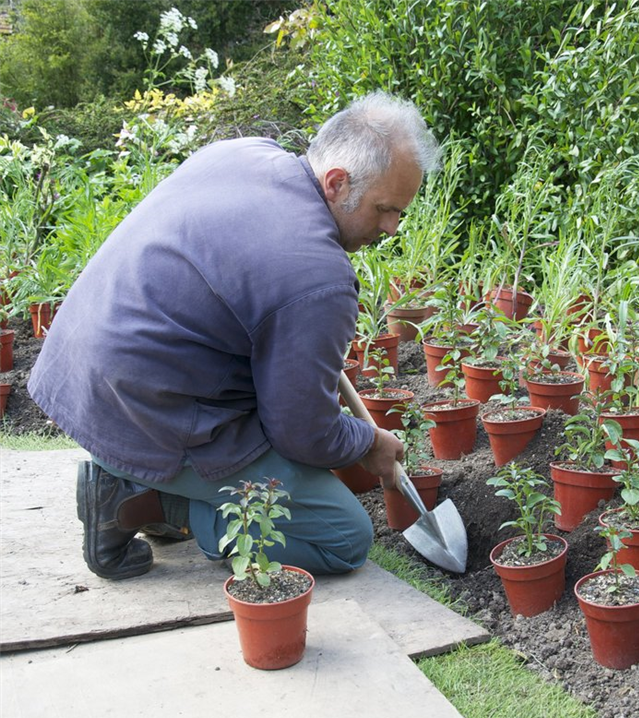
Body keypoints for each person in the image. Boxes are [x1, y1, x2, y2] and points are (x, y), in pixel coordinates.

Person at [28, 91, 440, 580]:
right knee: (342, 536)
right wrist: (365, 441)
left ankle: (133, 475)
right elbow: (304, 433)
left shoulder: (241, 153)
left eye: (401, 213)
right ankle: (139, 502)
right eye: (385, 209)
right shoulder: (317, 277)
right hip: (144, 411)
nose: (392, 227)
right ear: (336, 182)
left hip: (82, 376)